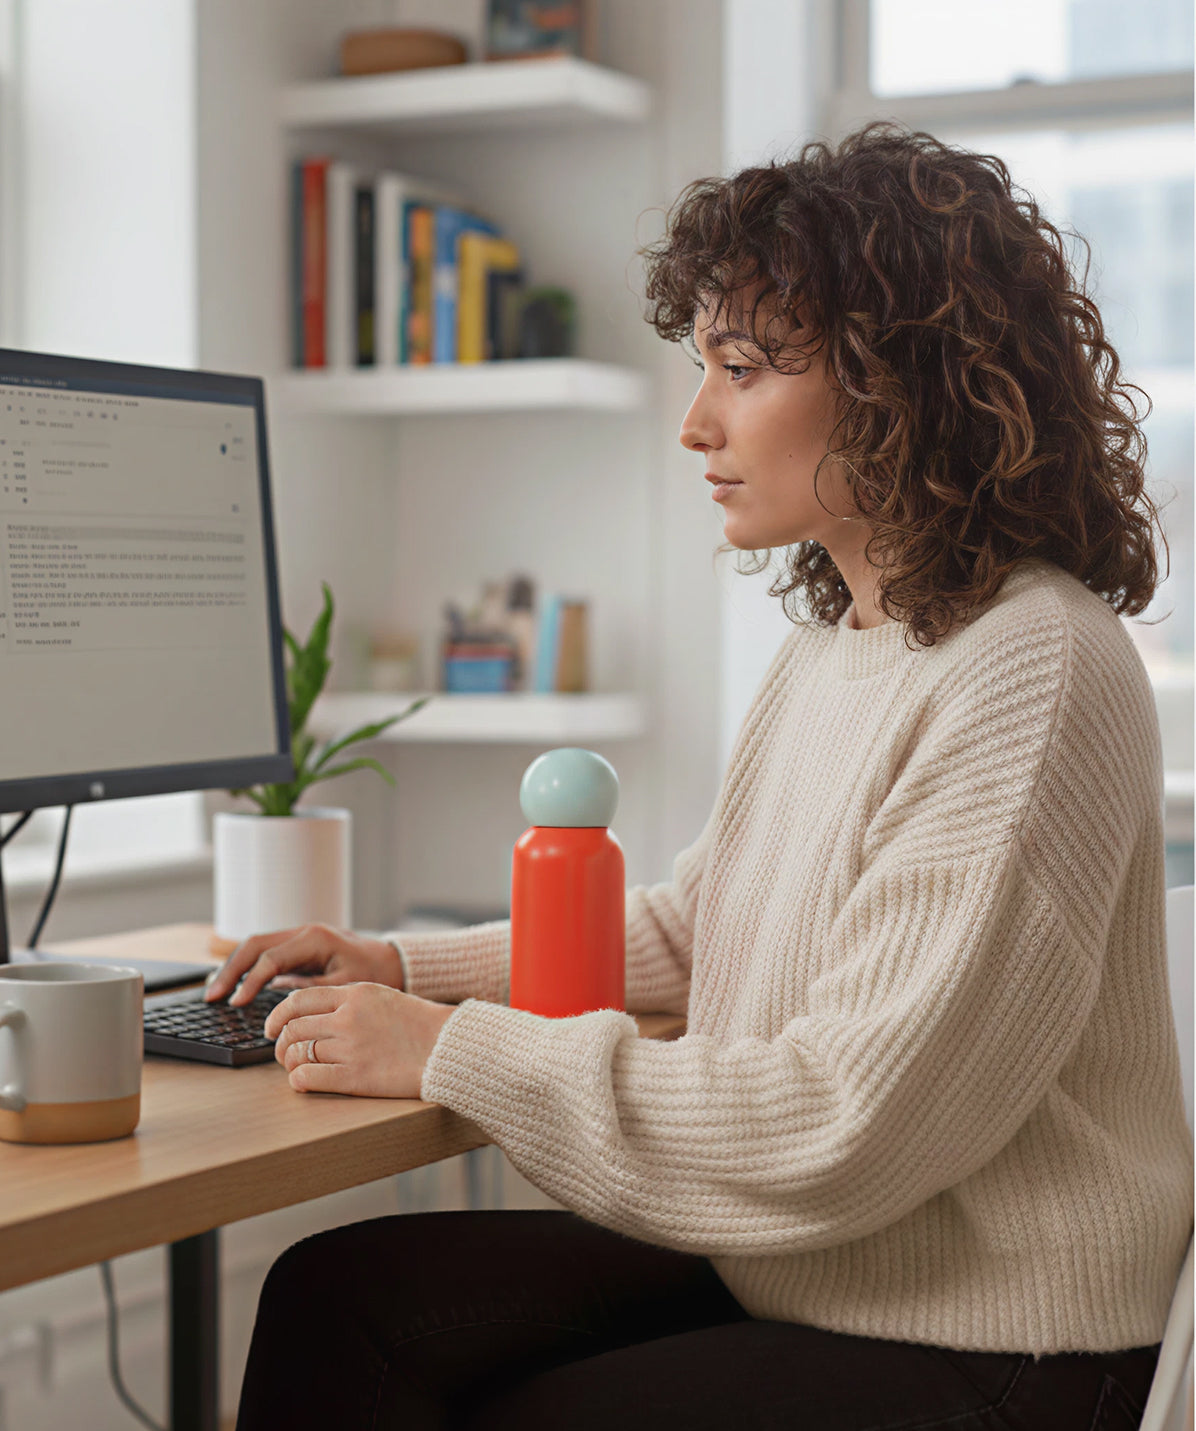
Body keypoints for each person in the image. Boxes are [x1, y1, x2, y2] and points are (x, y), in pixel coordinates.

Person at [217, 121, 1193, 1430]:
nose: (696, 423)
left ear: (898, 380)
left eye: (741, 368)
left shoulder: (1034, 666)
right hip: (815, 1278)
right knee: (340, 1301)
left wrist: (452, 1052)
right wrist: (400, 971)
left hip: (1005, 1343)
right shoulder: (846, 641)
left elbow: (850, 1120)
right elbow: (698, 928)